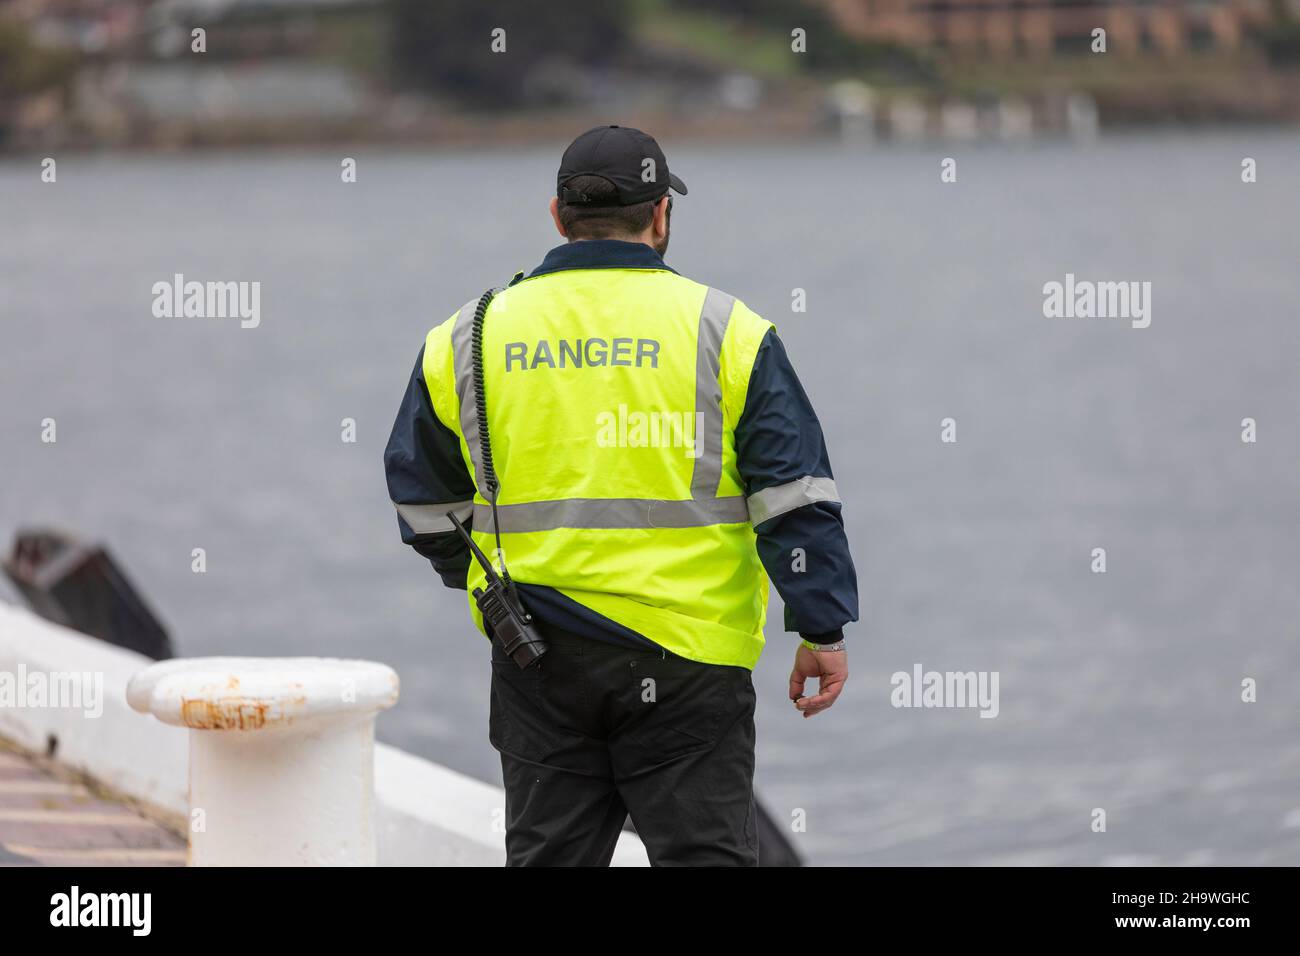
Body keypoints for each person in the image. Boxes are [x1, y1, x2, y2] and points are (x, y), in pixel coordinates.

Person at [384, 125, 858, 866]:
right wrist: (821, 629)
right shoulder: (728, 331)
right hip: (689, 661)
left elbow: (420, 501)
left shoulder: (467, 334)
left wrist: (482, 582)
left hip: (536, 653)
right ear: (661, 215)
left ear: (556, 216)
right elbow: (793, 497)